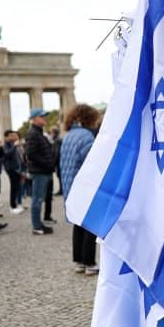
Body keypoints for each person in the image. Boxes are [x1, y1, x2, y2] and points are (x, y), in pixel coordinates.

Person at [60, 104, 101, 275]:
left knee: (78, 224)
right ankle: (89, 262)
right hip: (84, 185)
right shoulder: (86, 136)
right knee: (90, 224)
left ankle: (78, 261)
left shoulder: (69, 135)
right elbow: (92, 162)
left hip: (70, 184)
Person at [26, 109, 55, 235]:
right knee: (37, 199)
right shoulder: (33, 133)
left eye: (44, 116)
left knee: (40, 198)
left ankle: (38, 224)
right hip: (40, 172)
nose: (45, 118)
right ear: (34, 119)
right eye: (42, 116)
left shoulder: (38, 133)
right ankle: (36, 227)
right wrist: (47, 164)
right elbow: (31, 154)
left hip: (44, 171)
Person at [3, 130, 24, 214]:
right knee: (13, 187)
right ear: (6, 137)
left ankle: (16, 204)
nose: (13, 137)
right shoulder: (5, 145)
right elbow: (7, 154)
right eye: (11, 135)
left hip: (16, 168)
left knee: (17, 187)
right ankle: (12, 206)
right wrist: (15, 146)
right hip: (10, 169)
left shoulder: (11, 144)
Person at [51, 126, 64, 196]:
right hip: (60, 162)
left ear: (53, 133)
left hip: (59, 162)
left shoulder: (57, 140)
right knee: (60, 176)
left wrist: (53, 163)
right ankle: (61, 189)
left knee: (60, 176)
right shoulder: (58, 139)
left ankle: (61, 190)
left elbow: (57, 152)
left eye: (51, 133)